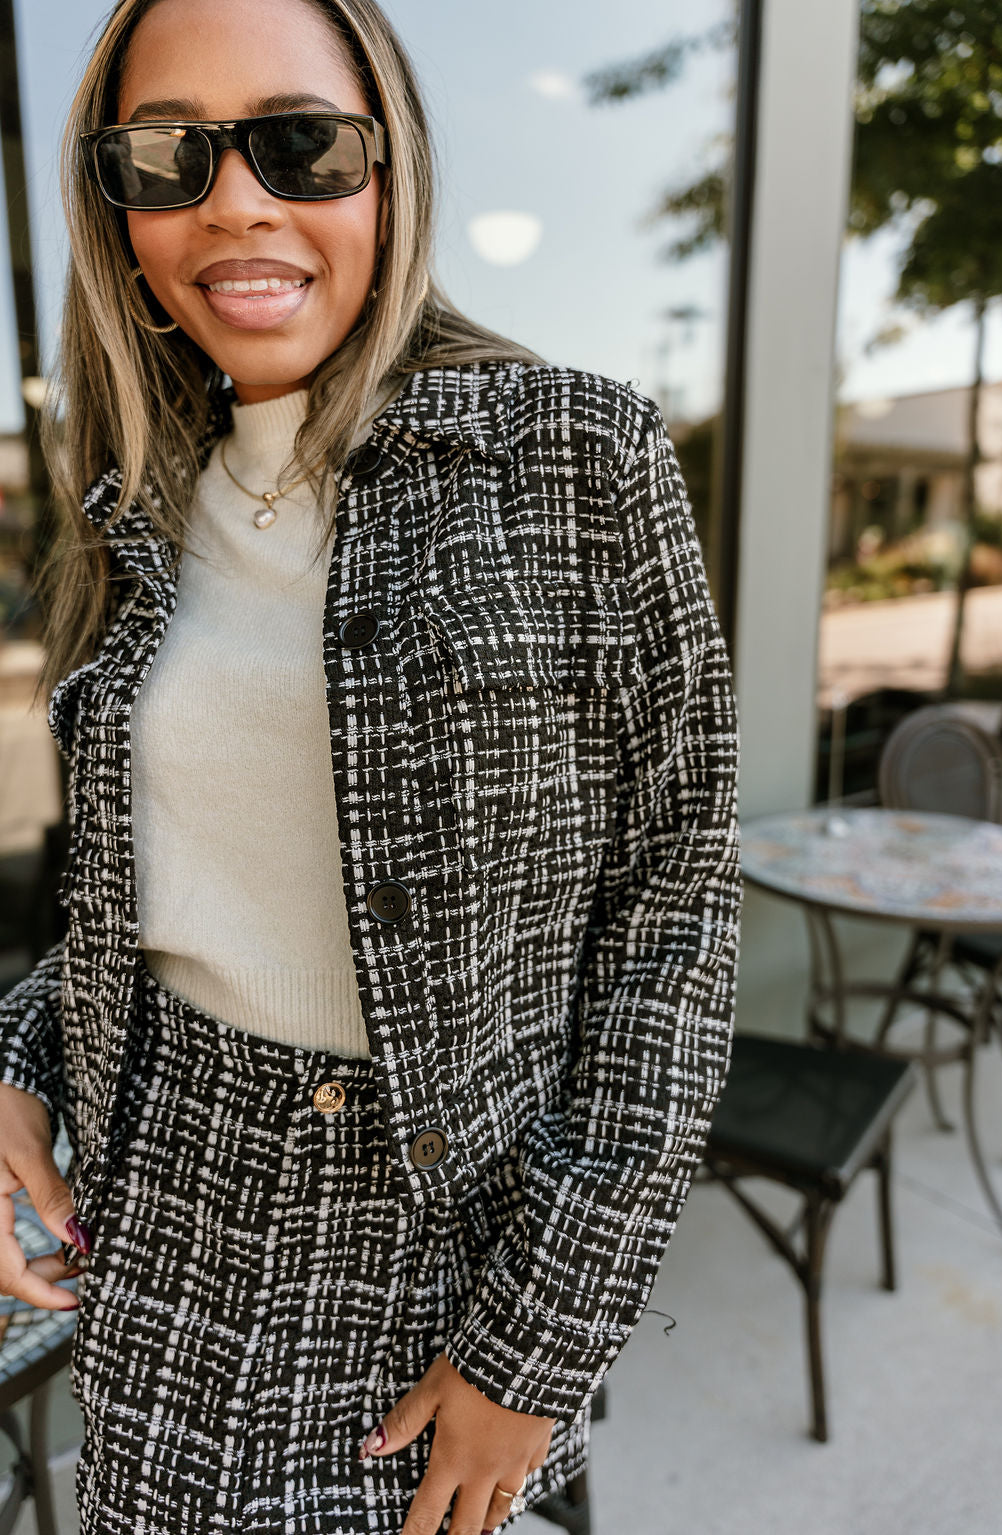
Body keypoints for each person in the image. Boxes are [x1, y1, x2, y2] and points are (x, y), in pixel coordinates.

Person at [0, 0, 743, 1531]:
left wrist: (539, 1346)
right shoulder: (130, 505)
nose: (238, 200)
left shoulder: (575, 459)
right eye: (168, 156)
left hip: (435, 1259)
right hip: (159, 1221)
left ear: (387, 170)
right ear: (116, 208)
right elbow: (167, 905)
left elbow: (673, 911)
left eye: (299, 143)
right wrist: (15, 1063)